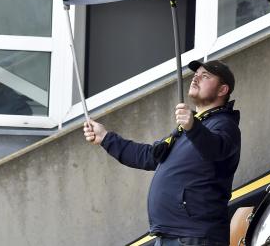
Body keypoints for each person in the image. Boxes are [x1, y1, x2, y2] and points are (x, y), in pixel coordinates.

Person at [83, 60, 241, 246]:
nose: (196, 78)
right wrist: (106, 138)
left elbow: (215, 149)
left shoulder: (225, 125)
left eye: (205, 76)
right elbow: (149, 156)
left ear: (223, 90)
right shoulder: (188, 129)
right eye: (195, 74)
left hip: (195, 236)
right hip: (172, 235)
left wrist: (192, 126)